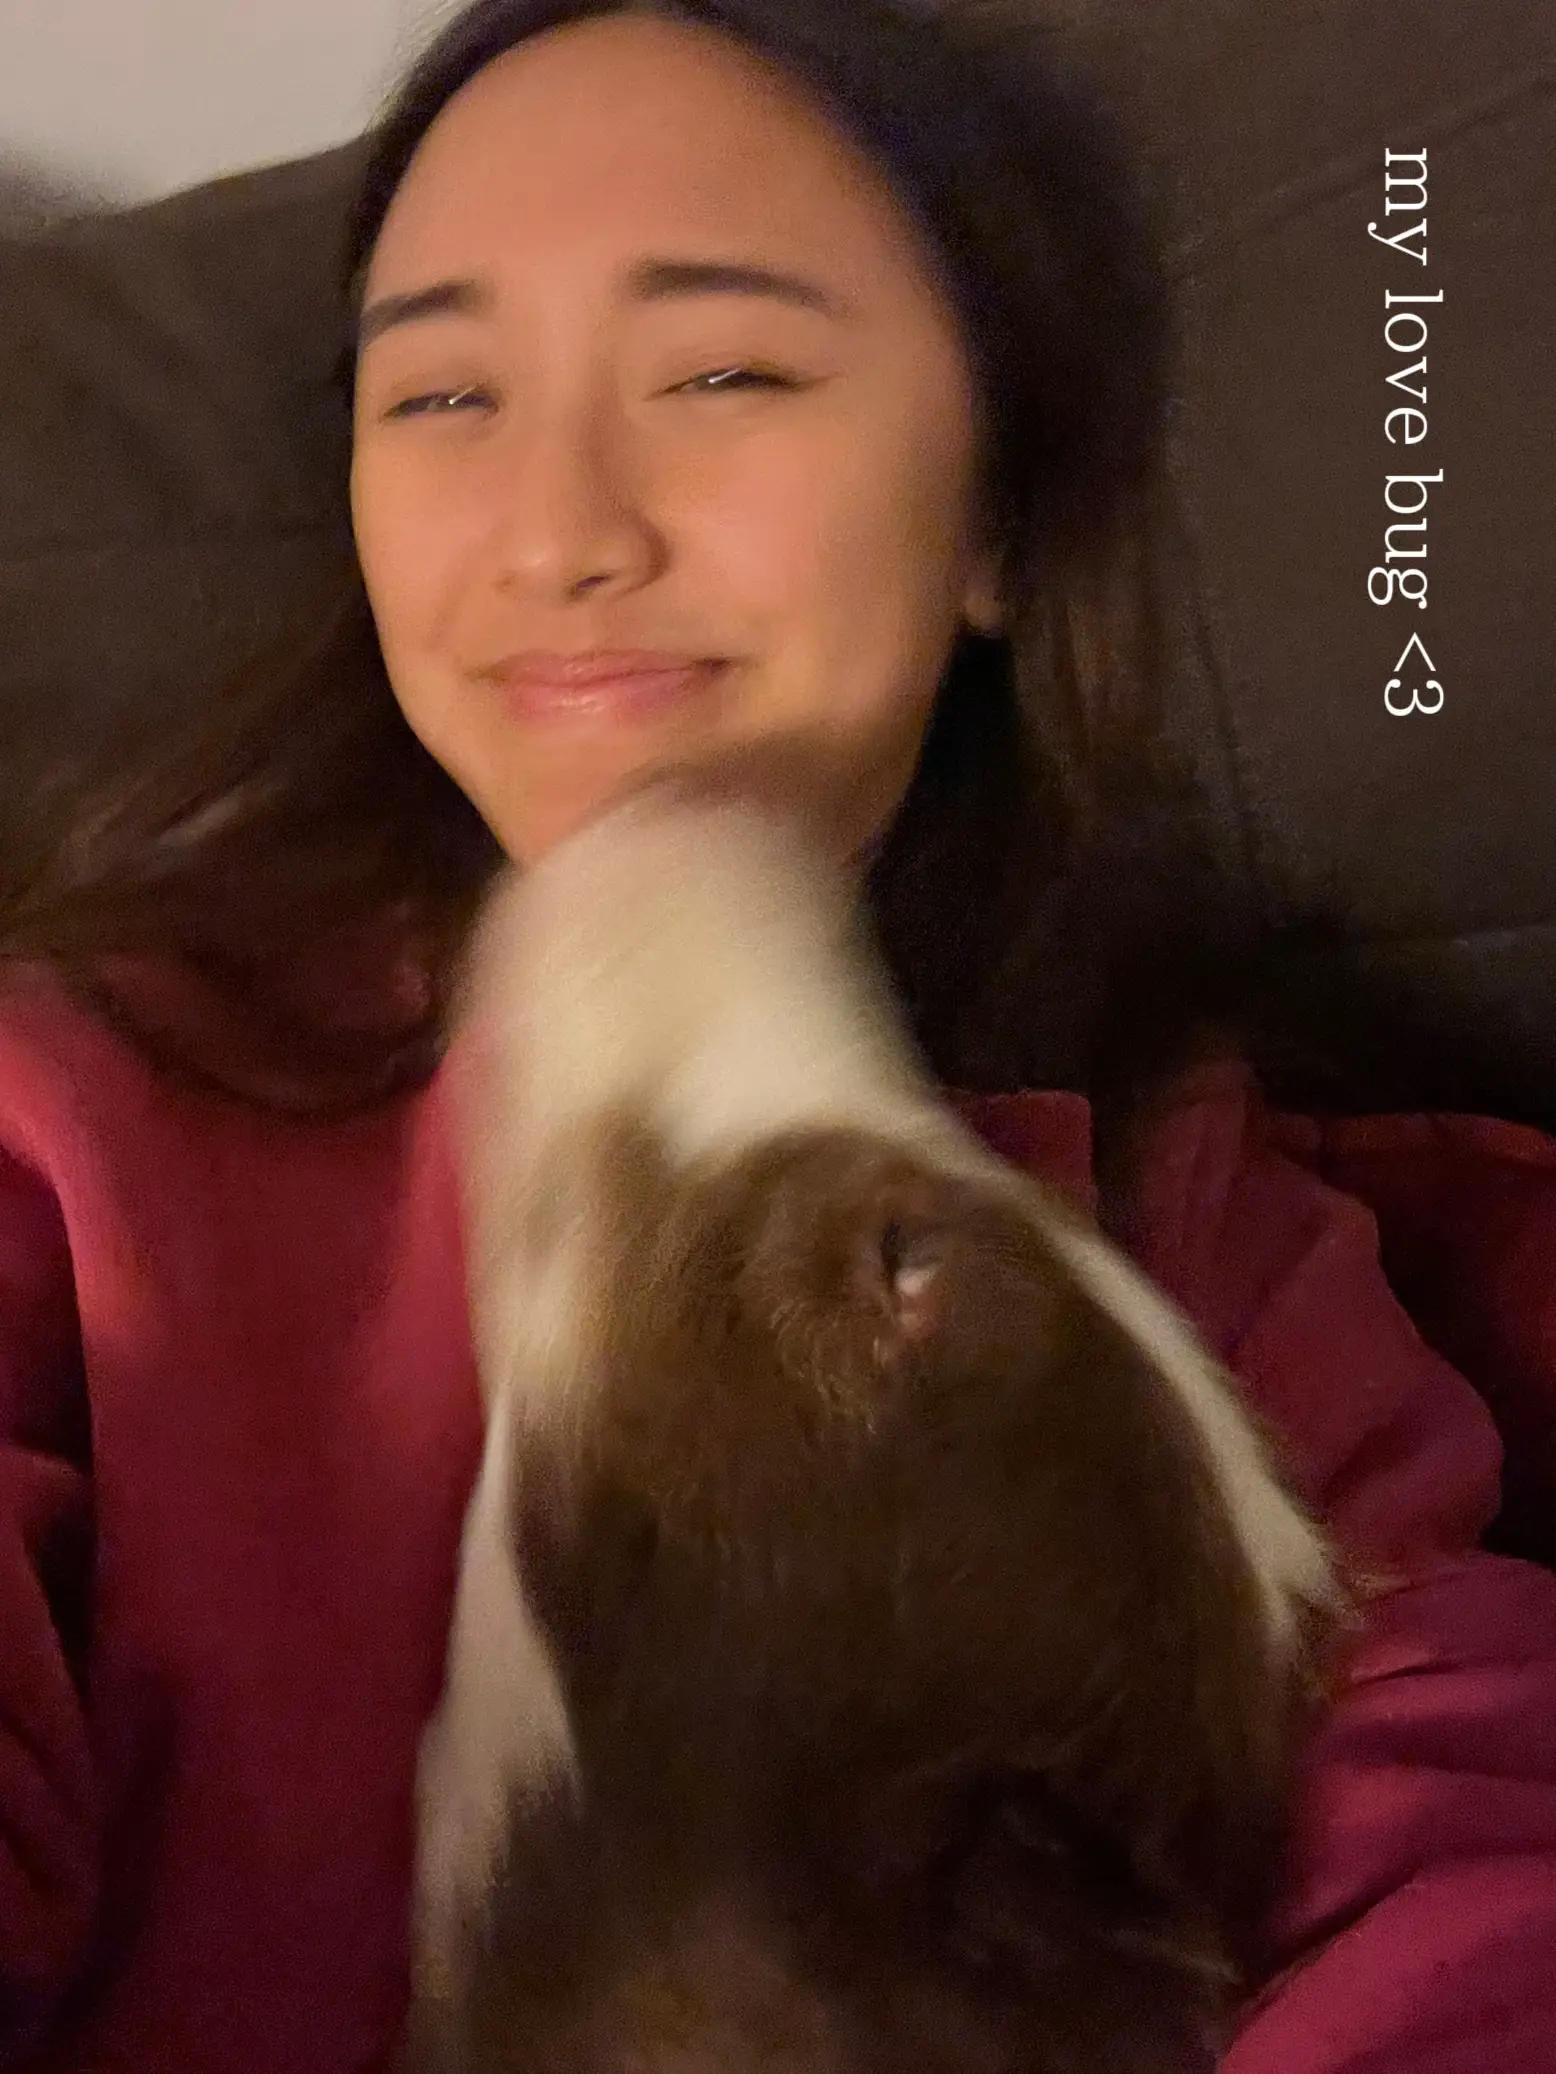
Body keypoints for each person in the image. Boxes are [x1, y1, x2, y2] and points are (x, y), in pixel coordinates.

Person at [1, 2, 1554, 2068]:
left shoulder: (1214, 1243)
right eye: (440, 392)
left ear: (991, 519)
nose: (561, 532)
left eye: (721, 371)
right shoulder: (76, 1126)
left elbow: (1450, 1852)